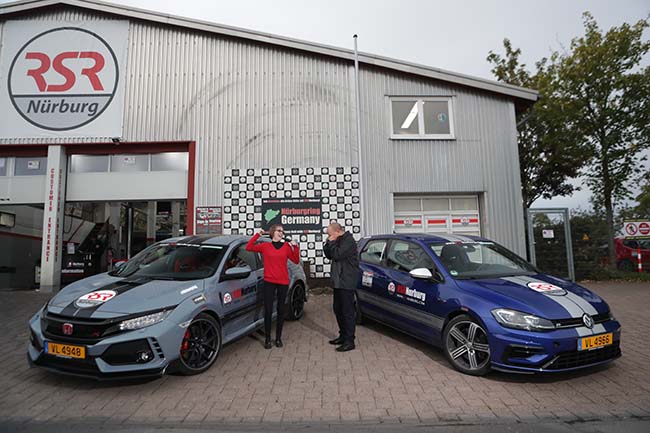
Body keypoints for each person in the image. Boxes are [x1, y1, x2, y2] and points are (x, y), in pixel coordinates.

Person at [246, 225, 300, 349]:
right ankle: (268, 339)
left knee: (281, 310)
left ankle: (279, 338)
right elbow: (249, 247)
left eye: (282, 231)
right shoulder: (265, 246)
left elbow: (296, 260)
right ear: (273, 233)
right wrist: (257, 235)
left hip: (283, 282)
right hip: (269, 282)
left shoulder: (286, 247)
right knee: (268, 310)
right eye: (279, 230)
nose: (281, 233)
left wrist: (295, 246)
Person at [323, 222, 359, 352]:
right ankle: (343, 335)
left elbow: (337, 255)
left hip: (347, 281)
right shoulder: (336, 240)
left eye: (330, 234)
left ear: (337, 231)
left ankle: (350, 340)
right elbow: (329, 255)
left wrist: (332, 243)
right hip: (338, 281)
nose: (329, 237)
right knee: (337, 309)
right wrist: (328, 243)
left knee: (347, 311)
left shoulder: (348, 241)